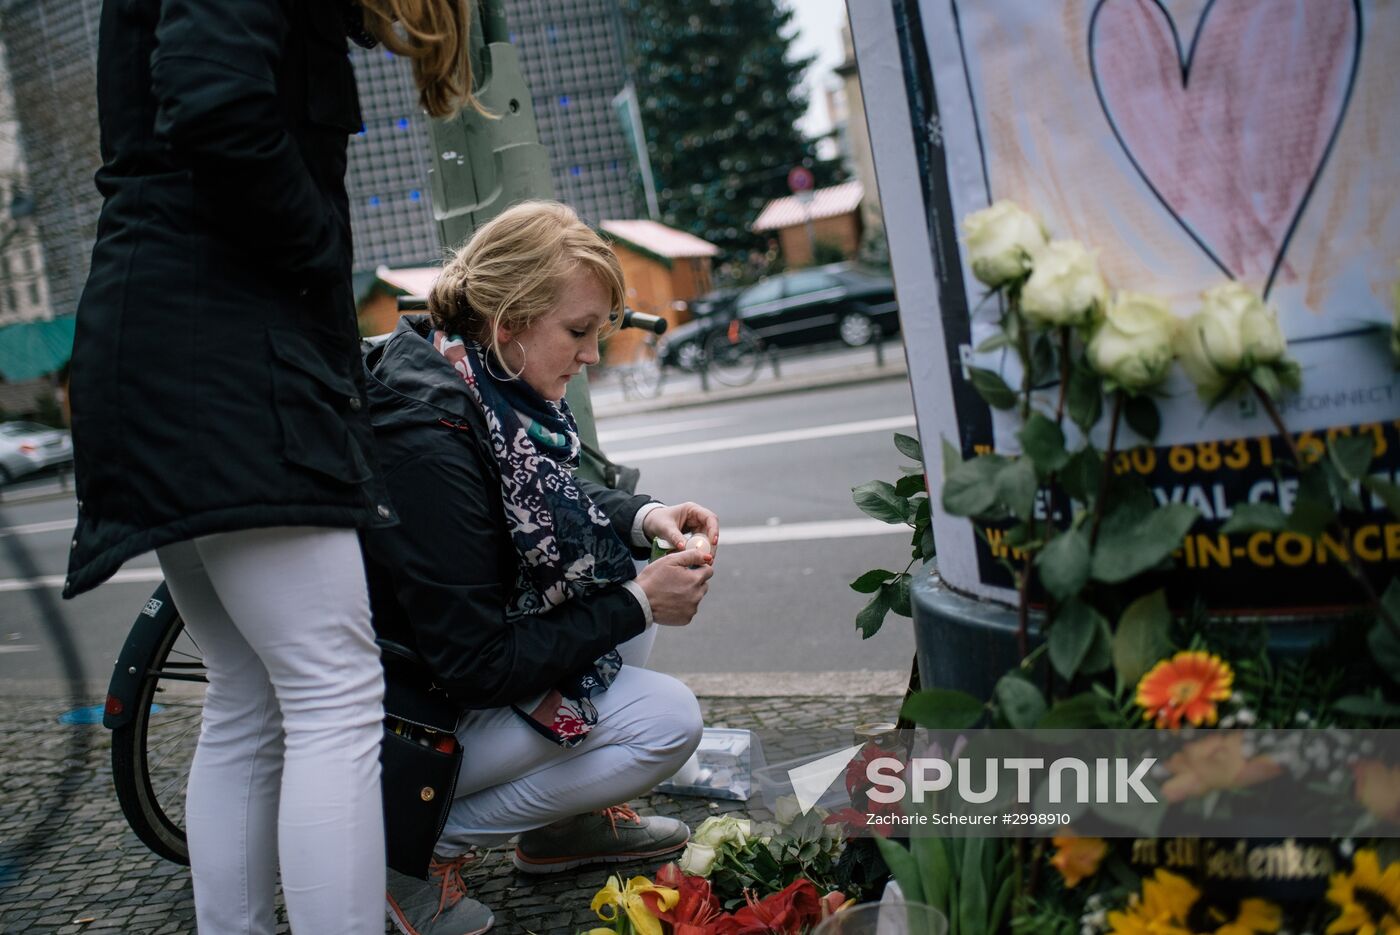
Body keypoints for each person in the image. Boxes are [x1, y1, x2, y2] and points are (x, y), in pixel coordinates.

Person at [62, 3, 477, 932]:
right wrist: (321, 253)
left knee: (250, 693)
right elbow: (216, 102)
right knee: (333, 690)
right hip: (232, 359)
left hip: (162, 344)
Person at [363, 200, 717, 935]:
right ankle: (409, 855)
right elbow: (475, 664)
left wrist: (644, 515)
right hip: (407, 715)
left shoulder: (465, 370)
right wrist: (641, 602)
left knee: (617, 579)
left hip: (432, 677)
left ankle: (560, 826)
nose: (591, 355)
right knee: (668, 721)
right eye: (579, 331)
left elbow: (551, 488)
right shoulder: (429, 436)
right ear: (511, 320)